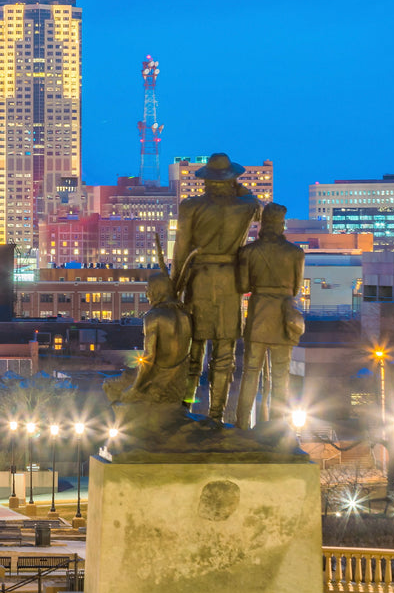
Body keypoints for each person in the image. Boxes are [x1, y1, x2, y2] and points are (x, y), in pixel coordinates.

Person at [172, 153, 261, 420]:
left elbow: (181, 250)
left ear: (206, 180)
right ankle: (216, 415)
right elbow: (257, 204)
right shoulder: (245, 206)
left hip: (199, 278)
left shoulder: (191, 207)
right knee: (225, 350)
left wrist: (175, 287)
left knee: (194, 348)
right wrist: (236, 186)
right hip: (231, 281)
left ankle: (185, 408)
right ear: (232, 179)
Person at [235, 203, 305, 427]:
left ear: (263, 225)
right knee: (281, 375)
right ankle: (277, 427)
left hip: (258, 315)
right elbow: (295, 290)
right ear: (282, 225)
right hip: (283, 317)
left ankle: (242, 423)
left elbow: (243, 284)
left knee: (250, 372)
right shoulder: (295, 253)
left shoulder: (248, 252)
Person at [120, 272, 193, 406]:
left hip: (158, 383)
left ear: (156, 289)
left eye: (148, 289)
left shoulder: (154, 316)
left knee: (111, 385)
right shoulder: (185, 315)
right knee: (125, 375)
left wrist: (135, 389)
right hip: (180, 384)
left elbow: (149, 357)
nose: (147, 294)